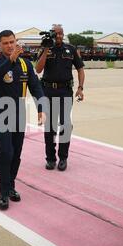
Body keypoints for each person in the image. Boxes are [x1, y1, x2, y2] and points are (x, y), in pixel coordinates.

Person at [0, 30, 46, 210]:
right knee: (5, 152)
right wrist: (10, 60)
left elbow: (36, 87)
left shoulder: (25, 64)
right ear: (0, 45)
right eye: (5, 43)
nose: (9, 45)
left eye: (12, 42)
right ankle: (3, 192)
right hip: (2, 113)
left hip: (19, 113)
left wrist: (41, 108)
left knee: (16, 153)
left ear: (16, 41)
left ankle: (11, 185)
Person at [35, 24, 85, 172]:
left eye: (61, 34)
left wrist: (80, 88)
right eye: (56, 34)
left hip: (65, 91)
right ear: (51, 34)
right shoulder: (45, 48)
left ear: (63, 34)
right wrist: (45, 50)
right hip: (48, 91)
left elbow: (80, 69)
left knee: (65, 125)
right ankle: (50, 159)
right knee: (49, 127)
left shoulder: (70, 49)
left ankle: (63, 158)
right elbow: (38, 69)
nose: (58, 36)